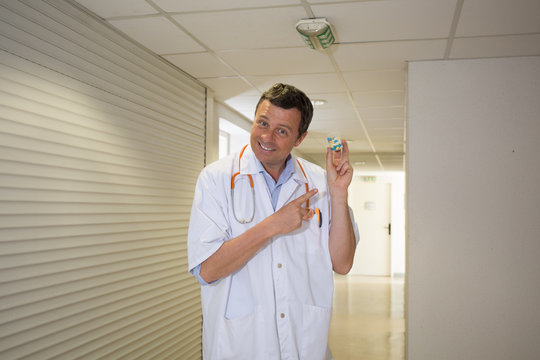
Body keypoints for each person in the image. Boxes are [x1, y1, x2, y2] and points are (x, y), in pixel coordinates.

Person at [188, 83, 358, 359]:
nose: (267, 136)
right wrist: (273, 225)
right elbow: (207, 270)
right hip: (239, 344)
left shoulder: (321, 182)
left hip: (305, 342)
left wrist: (339, 196)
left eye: (282, 131)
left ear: (299, 138)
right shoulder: (216, 179)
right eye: (262, 123)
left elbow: (342, 262)